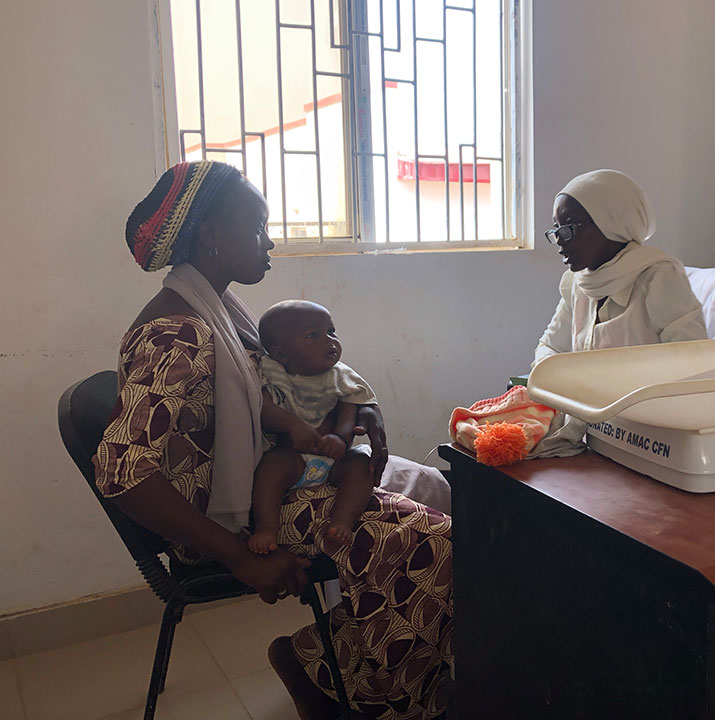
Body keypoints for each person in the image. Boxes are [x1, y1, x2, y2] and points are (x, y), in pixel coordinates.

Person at [94, 161, 452, 720]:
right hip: (231, 523)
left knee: (430, 495)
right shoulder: (176, 334)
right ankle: (375, 693)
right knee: (435, 546)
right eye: (258, 226)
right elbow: (120, 471)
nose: (270, 241)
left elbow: (292, 384)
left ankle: (320, 666)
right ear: (212, 235)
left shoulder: (218, 310)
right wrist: (239, 555)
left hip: (275, 482)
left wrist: (362, 409)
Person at [531, 169, 708, 456]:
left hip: (648, 435)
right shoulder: (578, 283)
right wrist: (564, 383)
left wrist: (590, 385)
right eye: (556, 229)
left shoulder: (658, 277)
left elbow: (694, 363)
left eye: (569, 227)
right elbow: (550, 347)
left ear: (610, 221)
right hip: (593, 432)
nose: (560, 239)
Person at [248, 299, 379, 555]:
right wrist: (292, 425)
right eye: (313, 335)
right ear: (281, 354)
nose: (330, 340)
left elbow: (349, 410)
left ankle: (343, 520)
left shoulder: (340, 375)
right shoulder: (273, 372)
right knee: (270, 467)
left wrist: (341, 438)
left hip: (334, 462)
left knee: (363, 461)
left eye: (331, 332)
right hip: (293, 459)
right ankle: (266, 527)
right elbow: (264, 408)